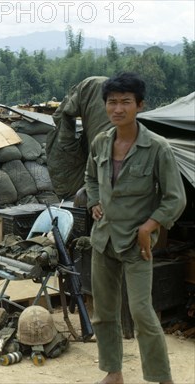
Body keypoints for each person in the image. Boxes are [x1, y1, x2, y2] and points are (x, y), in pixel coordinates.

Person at [85, 72, 186, 384]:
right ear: (105, 106)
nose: (118, 109)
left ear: (139, 105)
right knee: (103, 312)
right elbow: (90, 179)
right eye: (112, 102)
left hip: (136, 244)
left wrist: (149, 226)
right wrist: (93, 202)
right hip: (103, 240)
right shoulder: (101, 143)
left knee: (142, 312)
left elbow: (175, 198)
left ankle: (161, 377)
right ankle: (113, 373)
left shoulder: (157, 147)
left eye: (125, 102)